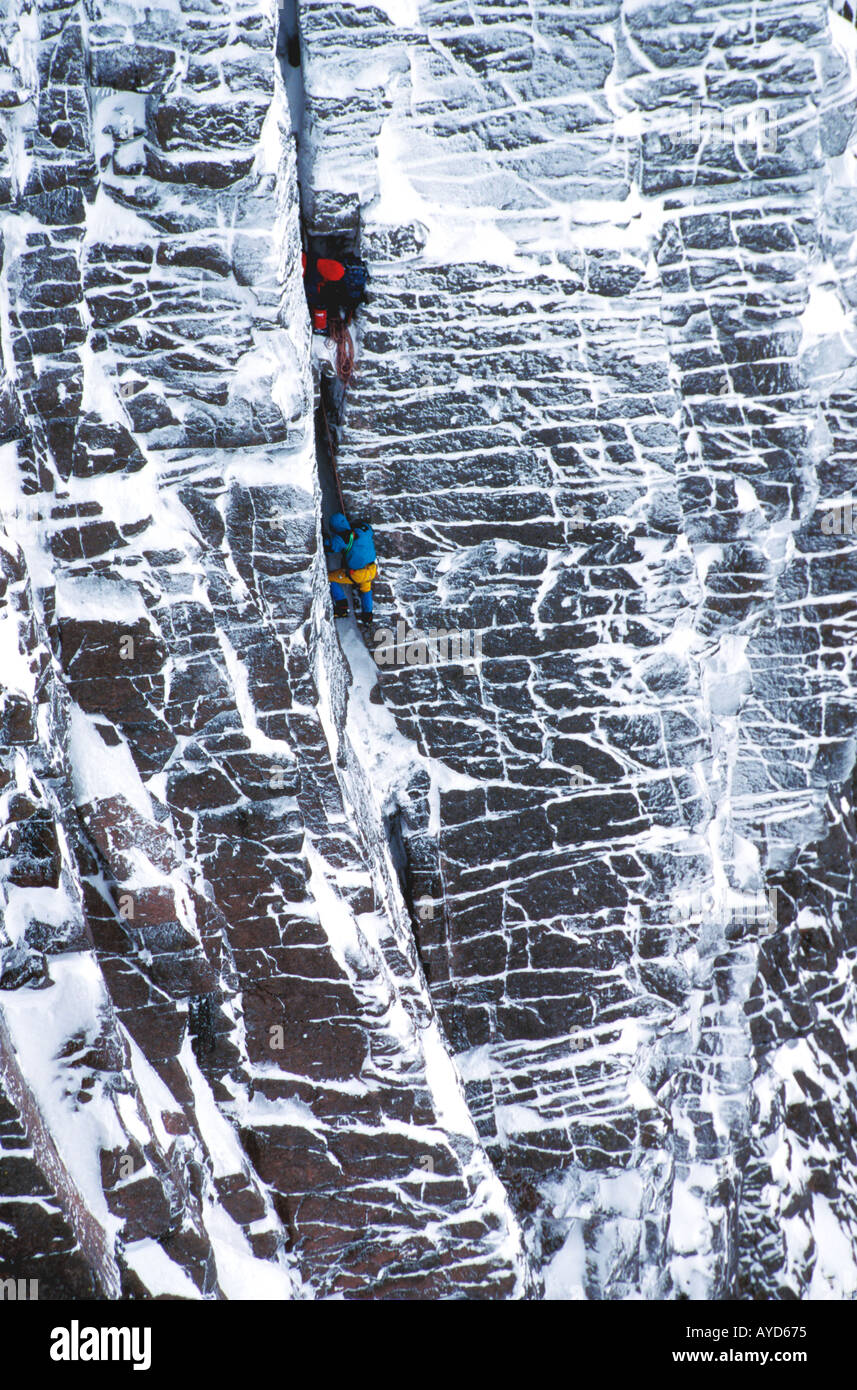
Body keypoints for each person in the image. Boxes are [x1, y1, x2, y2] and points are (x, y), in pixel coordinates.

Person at [325, 512, 376, 625]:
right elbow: (369, 528)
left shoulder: (343, 538)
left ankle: (342, 606)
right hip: (372, 569)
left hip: (357, 573)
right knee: (365, 589)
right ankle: (367, 616)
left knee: (328, 578)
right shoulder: (363, 529)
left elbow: (329, 547)